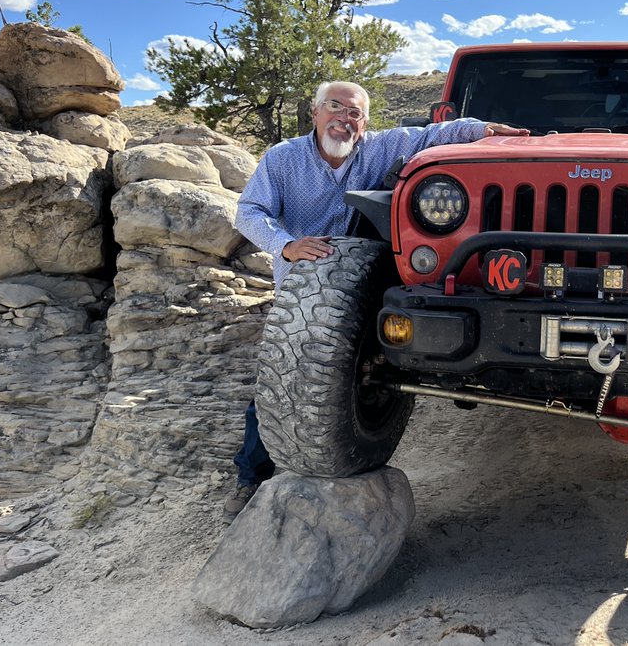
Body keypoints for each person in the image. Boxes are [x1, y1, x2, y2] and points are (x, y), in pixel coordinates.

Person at [225, 80, 529, 518]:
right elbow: (249, 211)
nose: (344, 119)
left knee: (349, 377)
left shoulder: (378, 149)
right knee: (286, 376)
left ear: (364, 123)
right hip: (304, 290)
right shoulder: (283, 158)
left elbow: (430, 135)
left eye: (355, 113)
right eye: (335, 107)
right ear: (315, 112)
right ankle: (250, 477)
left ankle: (343, 455)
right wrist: (285, 245)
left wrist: (483, 129)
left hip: (361, 290)